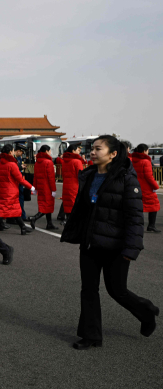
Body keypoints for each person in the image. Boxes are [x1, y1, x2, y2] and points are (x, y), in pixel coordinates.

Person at [61, 135, 159, 350]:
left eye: (98, 149)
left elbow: (134, 218)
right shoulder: (88, 175)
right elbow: (84, 209)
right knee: (88, 289)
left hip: (116, 246)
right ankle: (91, 336)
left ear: (113, 154)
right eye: (92, 148)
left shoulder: (126, 178)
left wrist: (131, 249)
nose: (92, 152)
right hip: (89, 244)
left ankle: (146, 311)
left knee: (117, 291)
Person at [0, 145, 35, 235]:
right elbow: (20, 179)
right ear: (10, 152)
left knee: (15, 209)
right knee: (2, 211)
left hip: (4, 191)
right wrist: (31, 187)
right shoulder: (12, 164)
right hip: (12, 191)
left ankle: (23, 227)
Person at [132, 144, 161, 233]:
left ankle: (137, 226)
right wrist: (156, 186)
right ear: (145, 151)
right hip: (146, 188)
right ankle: (151, 225)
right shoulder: (146, 161)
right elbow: (149, 177)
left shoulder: (132, 160)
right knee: (154, 206)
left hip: (136, 186)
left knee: (138, 207)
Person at [29, 145, 58, 230]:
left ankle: (49, 224)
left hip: (41, 187)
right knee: (46, 206)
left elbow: (35, 176)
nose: (50, 152)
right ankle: (34, 218)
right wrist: (53, 189)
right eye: (50, 151)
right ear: (46, 151)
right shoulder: (48, 162)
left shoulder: (37, 162)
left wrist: (35, 188)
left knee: (45, 205)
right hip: (47, 187)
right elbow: (51, 178)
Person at [62, 144, 86, 223]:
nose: (79, 152)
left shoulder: (64, 161)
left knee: (68, 207)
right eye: (77, 150)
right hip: (75, 187)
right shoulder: (77, 161)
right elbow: (80, 176)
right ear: (73, 151)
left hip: (66, 186)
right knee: (75, 206)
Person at [13, 144, 29, 221]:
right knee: (18, 199)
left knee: (21, 199)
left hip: (19, 180)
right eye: (22, 152)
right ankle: (19, 216)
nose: (22, 154)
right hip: (16, 181)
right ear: (18, 151)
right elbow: (14, 168)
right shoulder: (14, 158)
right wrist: (20, 167)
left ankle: (21, 216)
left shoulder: (18, 158)